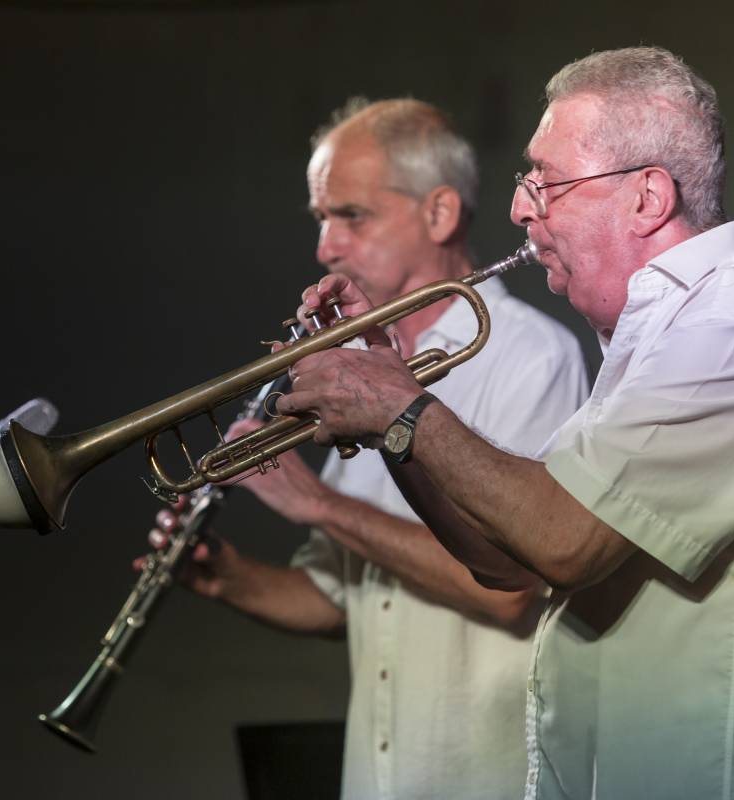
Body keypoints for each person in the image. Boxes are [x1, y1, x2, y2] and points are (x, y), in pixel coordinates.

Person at [278, 49, 734, 800]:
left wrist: (398, 404)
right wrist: (392, 417)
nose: (521, 208)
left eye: (545, 180)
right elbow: (505, 558)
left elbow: (561, 542)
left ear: (648, 198)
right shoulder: (652, 346)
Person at [148, 98, 589, 800]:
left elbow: (515, 592)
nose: (326, 246)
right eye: (321, 219)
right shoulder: (358, 366)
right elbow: (344, 598)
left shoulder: (532, 355)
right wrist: (226, 578)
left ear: (440, 213)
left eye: (350, 215)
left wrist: (321, 504)